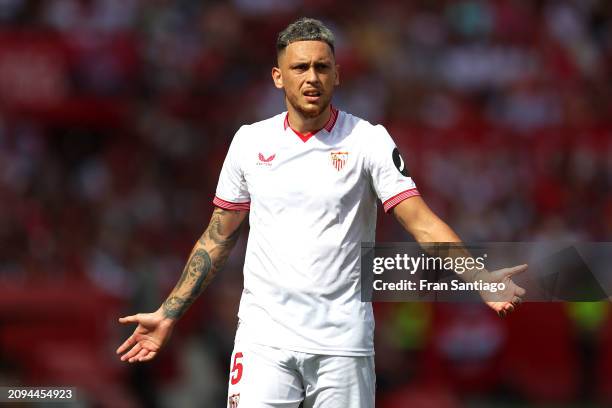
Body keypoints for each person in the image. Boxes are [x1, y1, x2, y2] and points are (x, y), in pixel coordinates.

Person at [117, 17, 526, 407]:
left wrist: (479, 277)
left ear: (337, 74)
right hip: (264, 340)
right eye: (299, 67)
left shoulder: (369, 141)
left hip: (341, 344)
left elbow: (419, 221)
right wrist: (169, 313)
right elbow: (218, 237)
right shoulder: (248, 142)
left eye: (321, 67)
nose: (311, 77)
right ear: (278, 76)